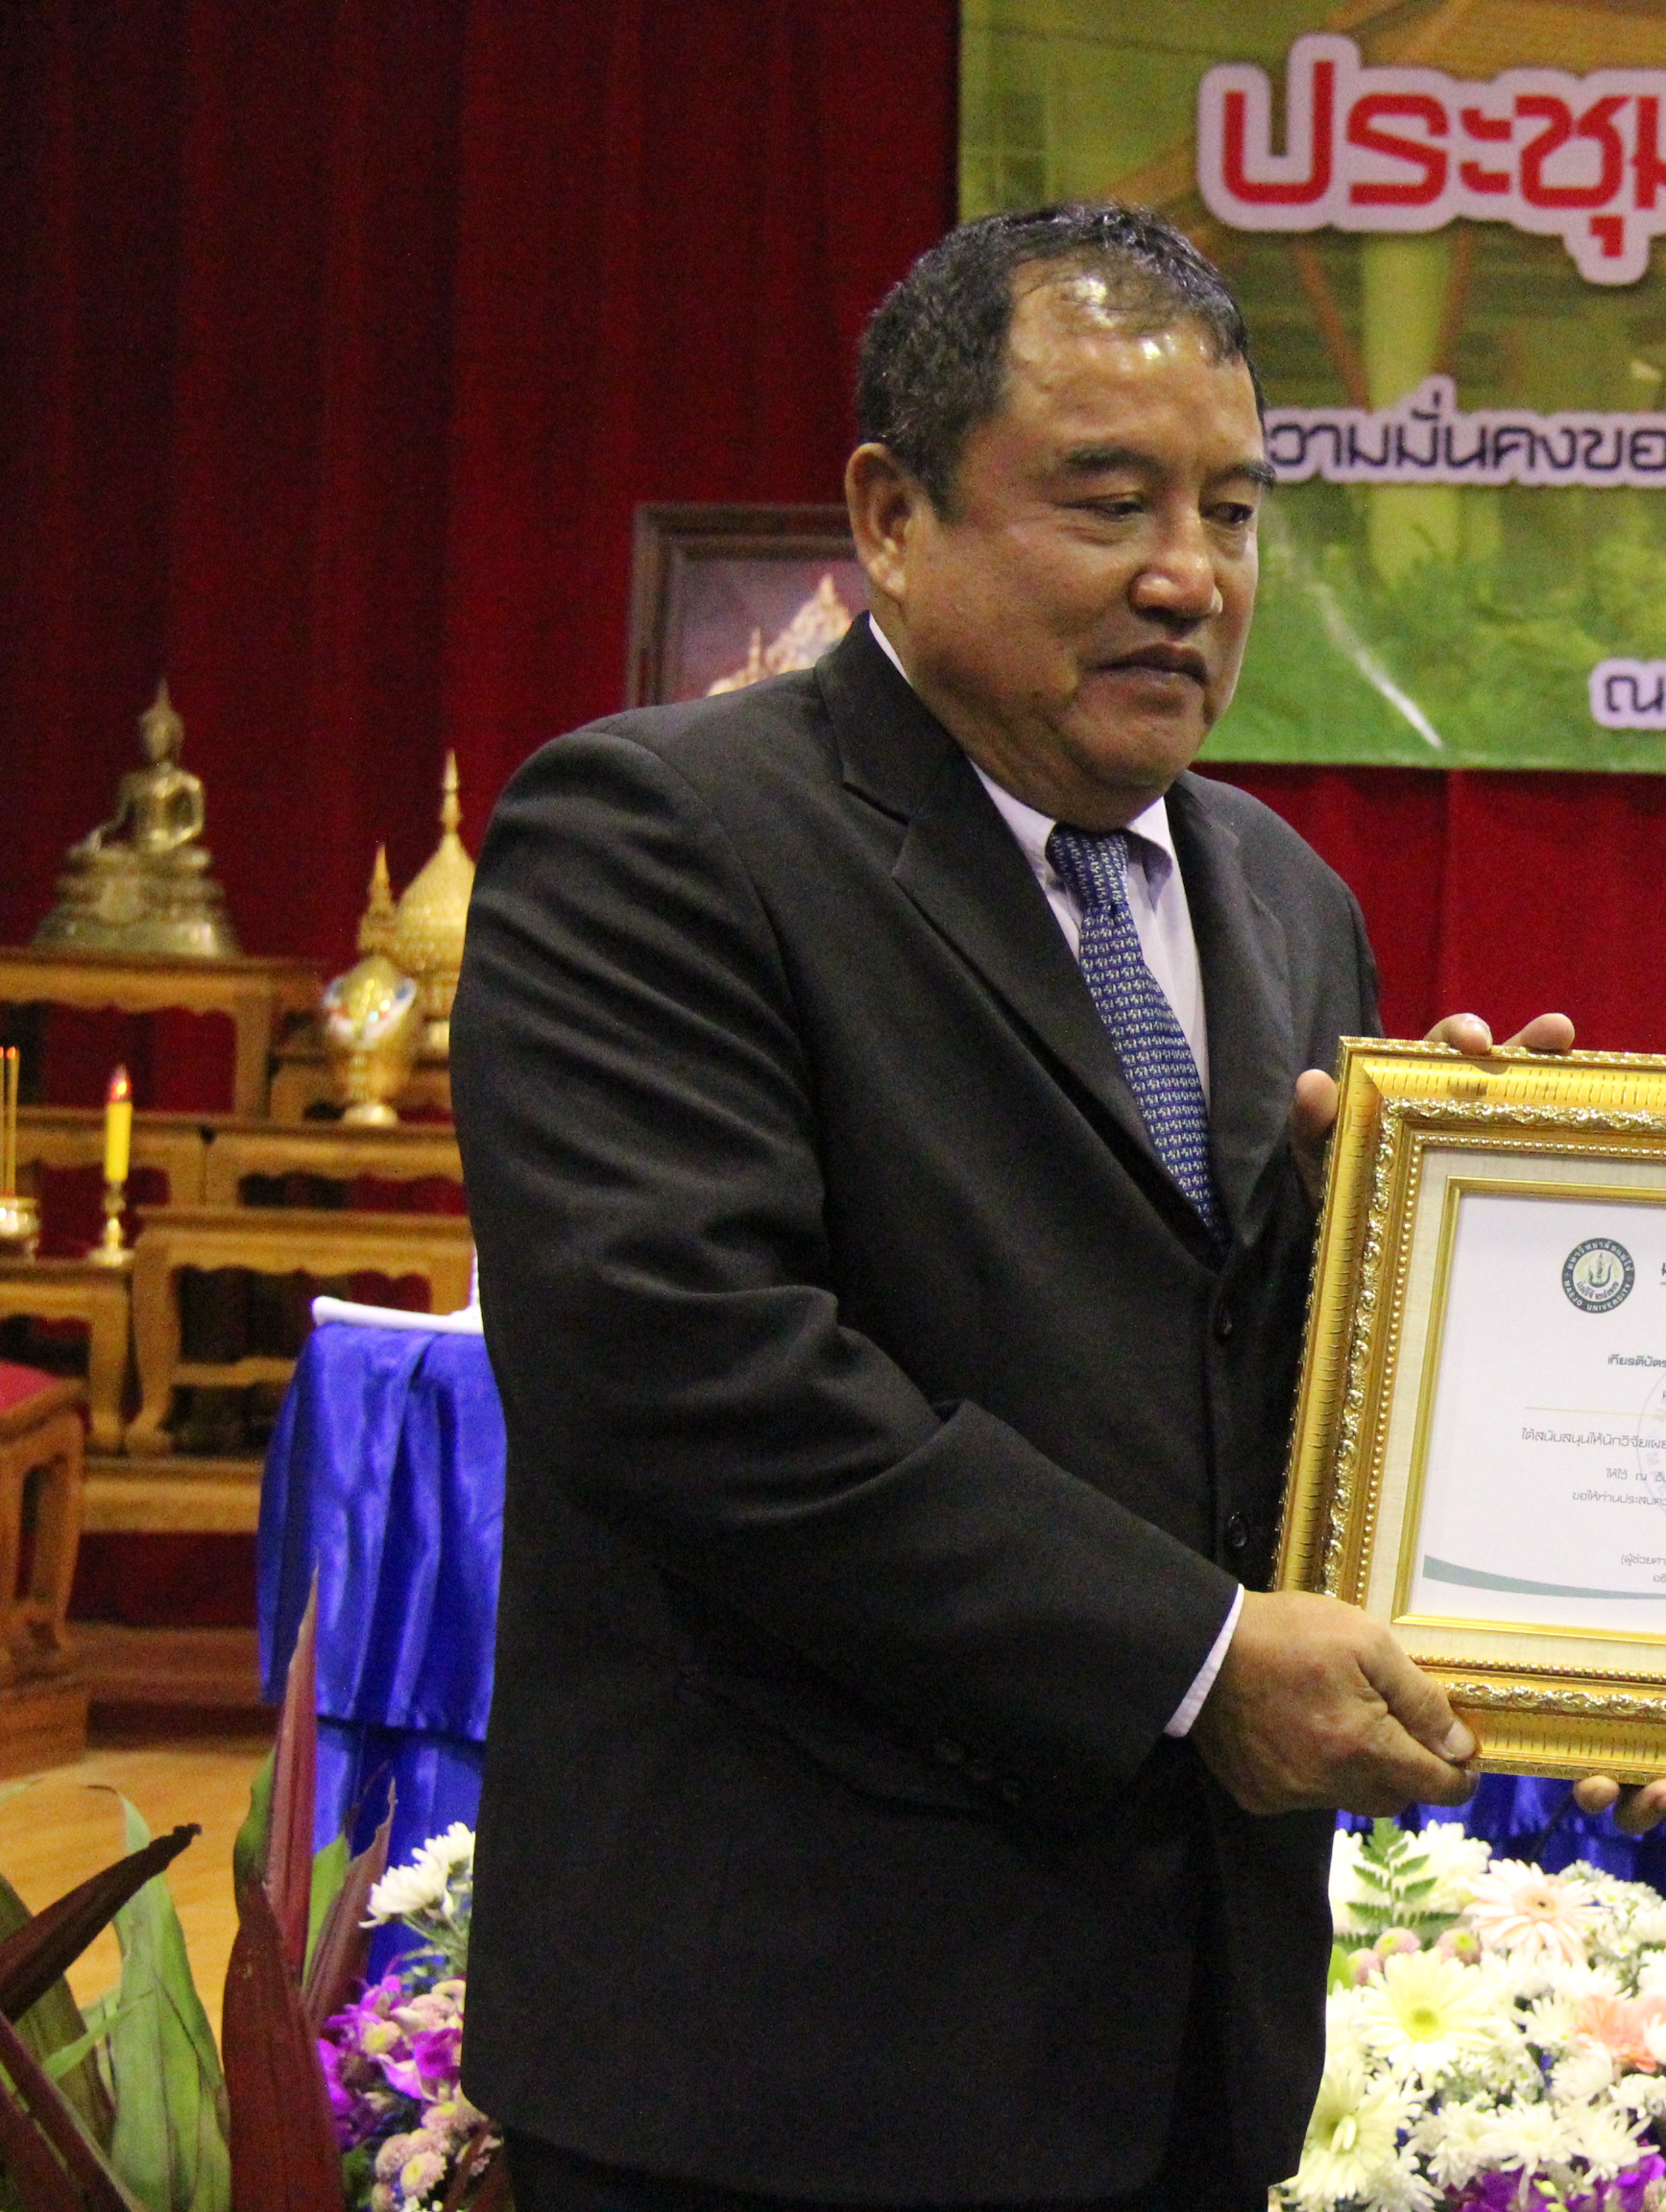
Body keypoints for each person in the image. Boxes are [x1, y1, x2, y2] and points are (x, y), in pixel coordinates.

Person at [452, 204, 1564, 2211]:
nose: (1188, 575)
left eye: (1235, 512)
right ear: (891, 517)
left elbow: (1236, 1390)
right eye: (1109, 502)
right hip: (786, 2065)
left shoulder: (1285, 895)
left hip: (1181, 2050)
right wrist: (1201, 1659)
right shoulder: (662, 837)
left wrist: (1455, 1260)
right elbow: (697, 1380)